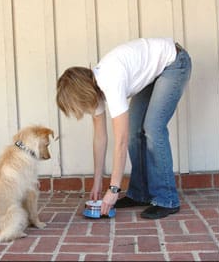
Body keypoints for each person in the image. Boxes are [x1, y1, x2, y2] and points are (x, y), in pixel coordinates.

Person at [56, 38, 191, 219]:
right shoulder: (94, 88)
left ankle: (167, 199)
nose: (81, 110)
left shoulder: (111, 80)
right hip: (154, 73)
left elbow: (120, 140)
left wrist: (113, 189)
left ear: (83, 93)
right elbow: (100, 139)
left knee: (153, 128)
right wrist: (97, 182)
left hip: (174, 63)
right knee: (136, 130)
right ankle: (140, 194)